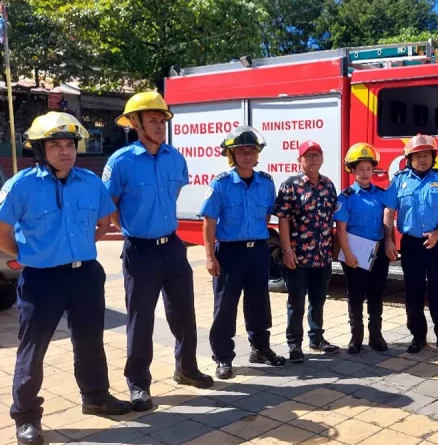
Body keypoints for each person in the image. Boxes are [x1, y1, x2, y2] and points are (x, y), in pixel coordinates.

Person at [1, 112, 132, 445]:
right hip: (42, 281)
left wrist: (79, 248)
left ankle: (96, 397)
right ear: (40, 149)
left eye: (70, 145)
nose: (65, 151)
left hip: (86, 275)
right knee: (33, 349)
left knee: (90, 341)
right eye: (55, 145)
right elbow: (1, 231)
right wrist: (30, 255)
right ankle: (26, 417)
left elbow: (103, 224)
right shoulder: (21, 186)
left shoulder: (90, 183)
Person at [103, 91, 213, 412]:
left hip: (172, 247)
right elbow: (109, 206)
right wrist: (134, 227)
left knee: (183, 312)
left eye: (163, 120)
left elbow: (175, 191)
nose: (160, 125)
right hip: (140, 251)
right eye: (153, 120)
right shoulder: (120, 162)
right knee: (141, 319)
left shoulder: (174, 158)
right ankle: (138, 383)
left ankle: (187, 368)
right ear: (136, 123)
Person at [199, 126, 287, 380]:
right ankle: (223, 358)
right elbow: (209, 221)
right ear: (232, 155)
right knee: (225, 306)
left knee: (259, 302)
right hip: (229, 253)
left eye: (252, 150)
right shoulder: (221, 183)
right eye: (242, 151)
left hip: (258, 250)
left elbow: (270, 214)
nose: (248, 155)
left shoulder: (266, 183)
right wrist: (209, 256)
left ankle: (260, 348)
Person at [383, 134, 438, 355]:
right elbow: (389, 210)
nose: (423, 159)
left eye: (427, 155)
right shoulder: (400, 180)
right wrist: (389, 239)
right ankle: (418, 337)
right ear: (409, 158)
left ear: (433, 157)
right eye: (418, 156)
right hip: (411, 244)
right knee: (413, 292)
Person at [274, 140, 340, 363]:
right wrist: (287, 250)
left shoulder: (328, 185)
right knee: (296, 302)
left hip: (322, 255)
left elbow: (333, 220)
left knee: (319, 299)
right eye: (308, 155)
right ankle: (294, 345)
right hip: (298, 256)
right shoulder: (290, 185)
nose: (313, 159)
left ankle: (316, 338)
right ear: (299, 160)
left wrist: (334, 250)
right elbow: (282, 220)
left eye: (317, 155)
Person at [334, 143, 390, 354]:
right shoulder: (346, 197)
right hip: (354, 254)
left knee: (376, 295)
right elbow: (341, 229)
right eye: (360, 169)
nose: (365, 173)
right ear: (353, 171)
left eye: (368, 169)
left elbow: (388, 219)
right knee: (355, 296)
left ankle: (376, 336)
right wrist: (348, 254)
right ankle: (356, 338)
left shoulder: (381, 195)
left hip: (378, 254)